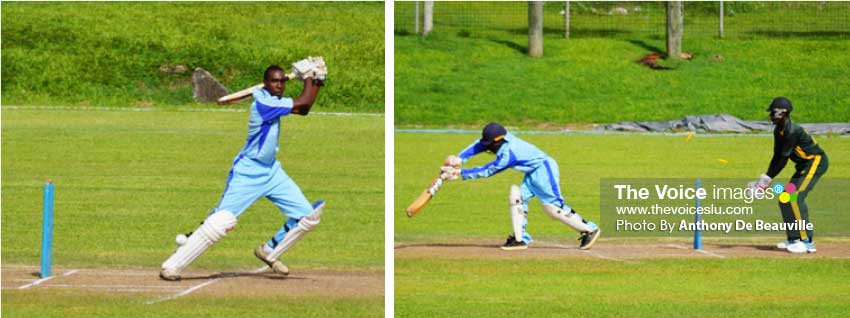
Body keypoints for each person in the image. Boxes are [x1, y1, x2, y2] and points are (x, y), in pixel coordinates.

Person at [160, 64, 325, 280]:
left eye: (282, 81)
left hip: (272, 171)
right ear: (266, 83)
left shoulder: (273, 101)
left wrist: (317, 79)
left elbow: (304, 109)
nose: (279, 85)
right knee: (221, 222)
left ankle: (269, 251)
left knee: (308, 217)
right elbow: (304, 101)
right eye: (274, 81)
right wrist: (311, 78)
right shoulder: (263, 103)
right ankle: (171, 266)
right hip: (248, 172)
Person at [441, 123, 601, 250]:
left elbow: (488, 171)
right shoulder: (500, 138)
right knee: (518, 198)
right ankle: (520, 239)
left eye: (490, 144)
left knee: (553, 208)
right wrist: (459, 158)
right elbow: (479, 144)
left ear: (499, 140)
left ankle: (589, 229)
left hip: (544, 169)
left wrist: (459, 173)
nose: (487, 147)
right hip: (532, 172)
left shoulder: (509, 153)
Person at [748, 97, 828, 254]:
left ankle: (807, 242)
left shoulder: (792, 131)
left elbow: (783, 160)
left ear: (781, 113)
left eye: (773, 112)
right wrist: (763, 181)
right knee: (785, 198)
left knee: (796, 197)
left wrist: (765, 183)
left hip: (815, 163)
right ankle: (794, 238)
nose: (770, 115)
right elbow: (776, 156)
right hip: (803, 166)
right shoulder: (779, 130)